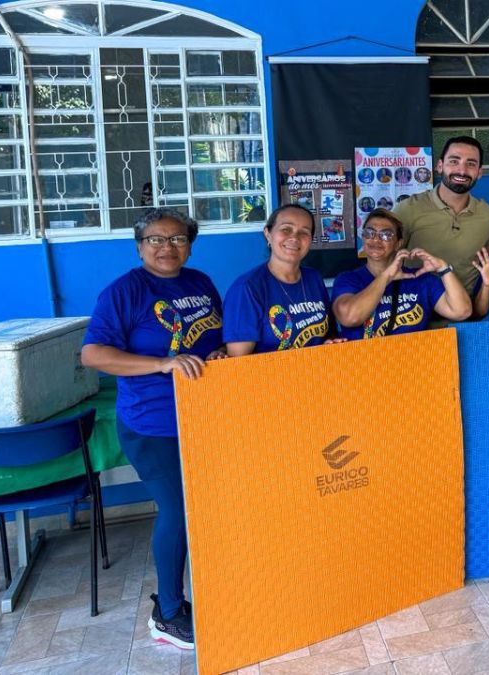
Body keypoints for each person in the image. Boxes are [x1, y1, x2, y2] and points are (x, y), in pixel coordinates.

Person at [81, 208, 224, 650]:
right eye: (156, 240)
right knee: (178, 512)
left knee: (209, 511)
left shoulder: (200, 282)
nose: (167, 247)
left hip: (205, 419)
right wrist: (162, 364)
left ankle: (217, 593)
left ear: (190, 245)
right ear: (140, 246)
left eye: (178, 239)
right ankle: (168, 612)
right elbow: (93, 355)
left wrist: (218, 354)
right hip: (153, 424)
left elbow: (214, 337)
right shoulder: (124, 292)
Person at [332, 208, 472, 338]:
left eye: (386, 235)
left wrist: (443, 268)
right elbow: (350, 317)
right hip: (365, 356)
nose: (376, 239)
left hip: (412, 355)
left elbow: (462, 311)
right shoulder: (348, 279)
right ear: (363, 237)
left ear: (398, 244)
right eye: (369, 233)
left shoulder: (419, 279)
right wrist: (386, 276)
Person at [223, 204, 336, 355]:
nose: (294, 238)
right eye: (286, 229)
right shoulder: (247, 288)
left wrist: (330, 343)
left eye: (304, 232)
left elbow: (329, 333)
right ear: (268, 234)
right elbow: (238, 361)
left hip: (319, 368)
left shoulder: (313, 278)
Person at [394, 136, 489, 295]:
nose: (462, 171)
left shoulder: (488, 216)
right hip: (416, 308)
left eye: (471, 164)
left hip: (466, 308)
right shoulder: (408, 209)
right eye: (454, 161)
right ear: (440, 166)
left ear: (479, 172)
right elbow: (385, 261)